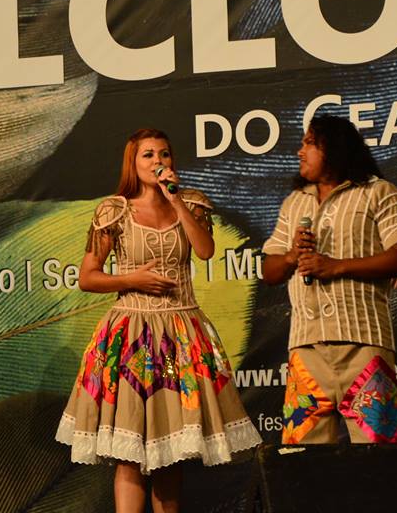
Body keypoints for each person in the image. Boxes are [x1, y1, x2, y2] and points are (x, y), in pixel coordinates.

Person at [55, 129, 261, 513]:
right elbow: (88, 276)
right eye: (148, 155)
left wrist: (176, 199)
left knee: (171, 453)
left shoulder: (192, 203)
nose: (157, 161)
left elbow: (205, 250)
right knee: (129, 453)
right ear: (133, 163)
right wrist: (132, 280)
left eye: (164, 154)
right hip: (131, 334)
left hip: (180, 334)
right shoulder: (114, 211)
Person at [261, 115, 397, 445]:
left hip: (363, 343)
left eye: (309, 143)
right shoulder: (295, 202)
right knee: (302, 455)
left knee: (379, 449)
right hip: (306, 348)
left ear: (334, 148)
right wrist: (291, 256)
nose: (300, 151)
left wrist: (336, 267)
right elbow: (269, 272)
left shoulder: (377, 192)